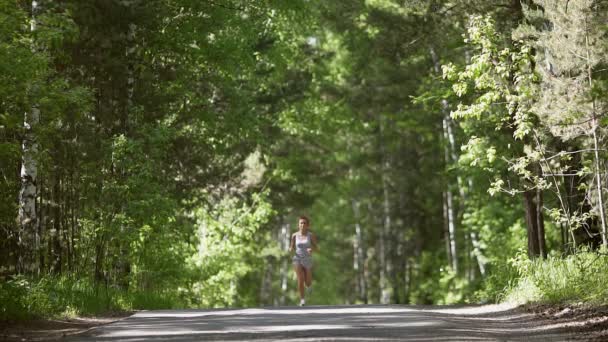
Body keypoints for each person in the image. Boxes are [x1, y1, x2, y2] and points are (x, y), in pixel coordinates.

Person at [289, 215, 318, 306]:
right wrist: (290, 250)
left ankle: (309, 285)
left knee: (308, 281)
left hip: (307, 259)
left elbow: (316, 248)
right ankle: (302, 300)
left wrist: (311, 249)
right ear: (298, 224)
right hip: (297, 258)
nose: (302, 224)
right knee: (300, 279)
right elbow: (292, 246)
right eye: (301, 223)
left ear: (308, 225)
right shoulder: (294, 235)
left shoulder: (311, 235)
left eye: (304, 223)